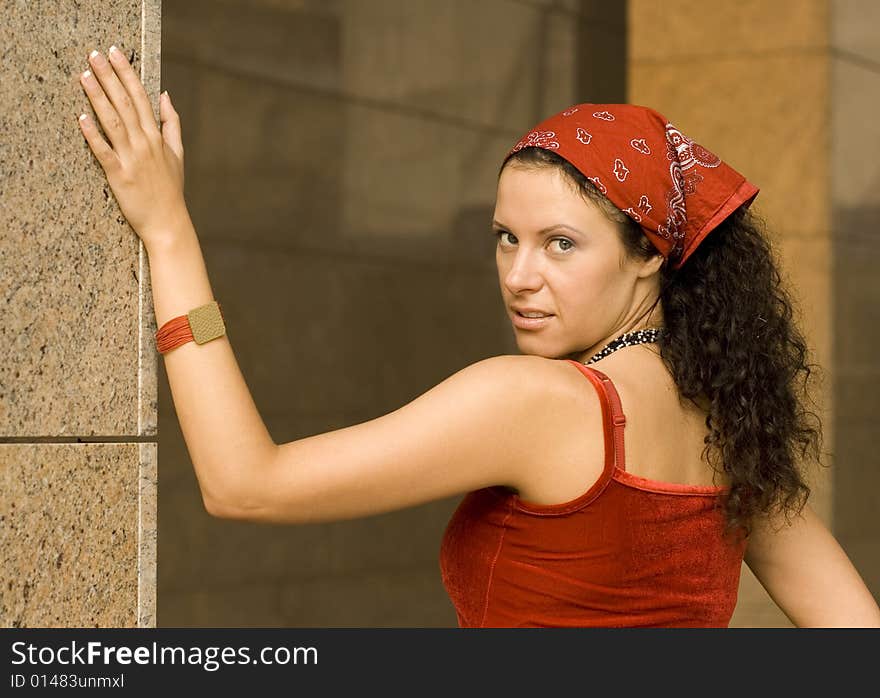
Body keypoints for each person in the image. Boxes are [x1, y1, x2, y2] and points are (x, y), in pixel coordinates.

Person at [76, 47, 880, 628]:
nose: (520, 275)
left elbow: (244, 483)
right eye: (505, 237)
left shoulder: (540, 402)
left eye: (560, 244)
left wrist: (170, 232)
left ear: (649, 256)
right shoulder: (732, 426)